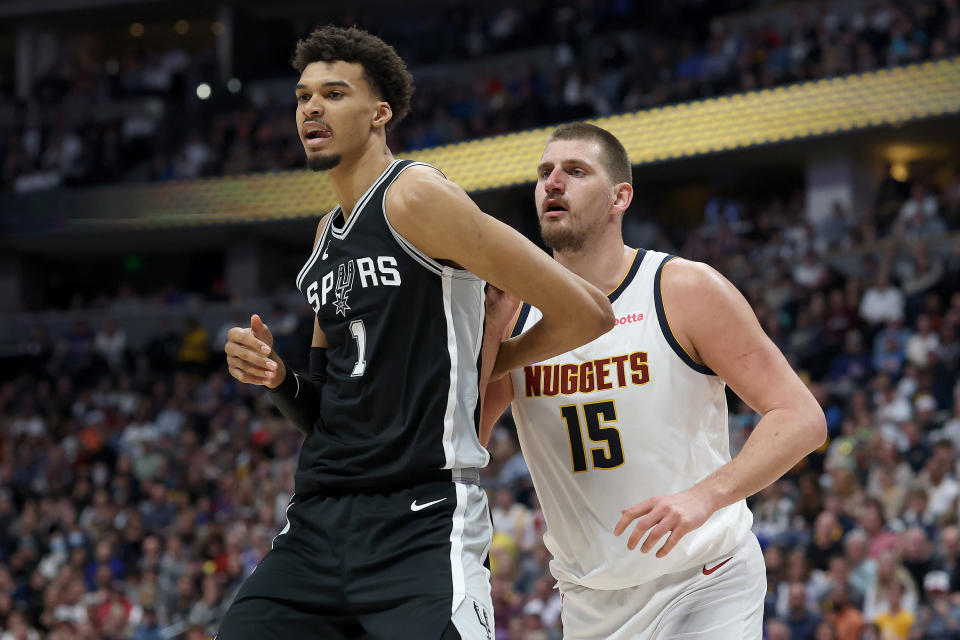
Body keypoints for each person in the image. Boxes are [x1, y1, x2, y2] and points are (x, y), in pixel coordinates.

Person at [217, 26, 614, 640]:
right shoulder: (326, 237)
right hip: (318, 522)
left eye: (333, 93)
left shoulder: (416, 197)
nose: (310, 109)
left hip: (420, 519)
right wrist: (276, 376)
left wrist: (495, 357)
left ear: (379, 114)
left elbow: (588, 313)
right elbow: (324, 407)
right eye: (301, 97)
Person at [481, 123, 826, 639]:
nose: (553, 183)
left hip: (704, 579)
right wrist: (487, 336)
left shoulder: (682, 288)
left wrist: (703, 497)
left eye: (575, 171)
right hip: (589, 597)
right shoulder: (512, 310)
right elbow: (464, 439)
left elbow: (801, 418)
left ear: (621, 197)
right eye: (545, 173)